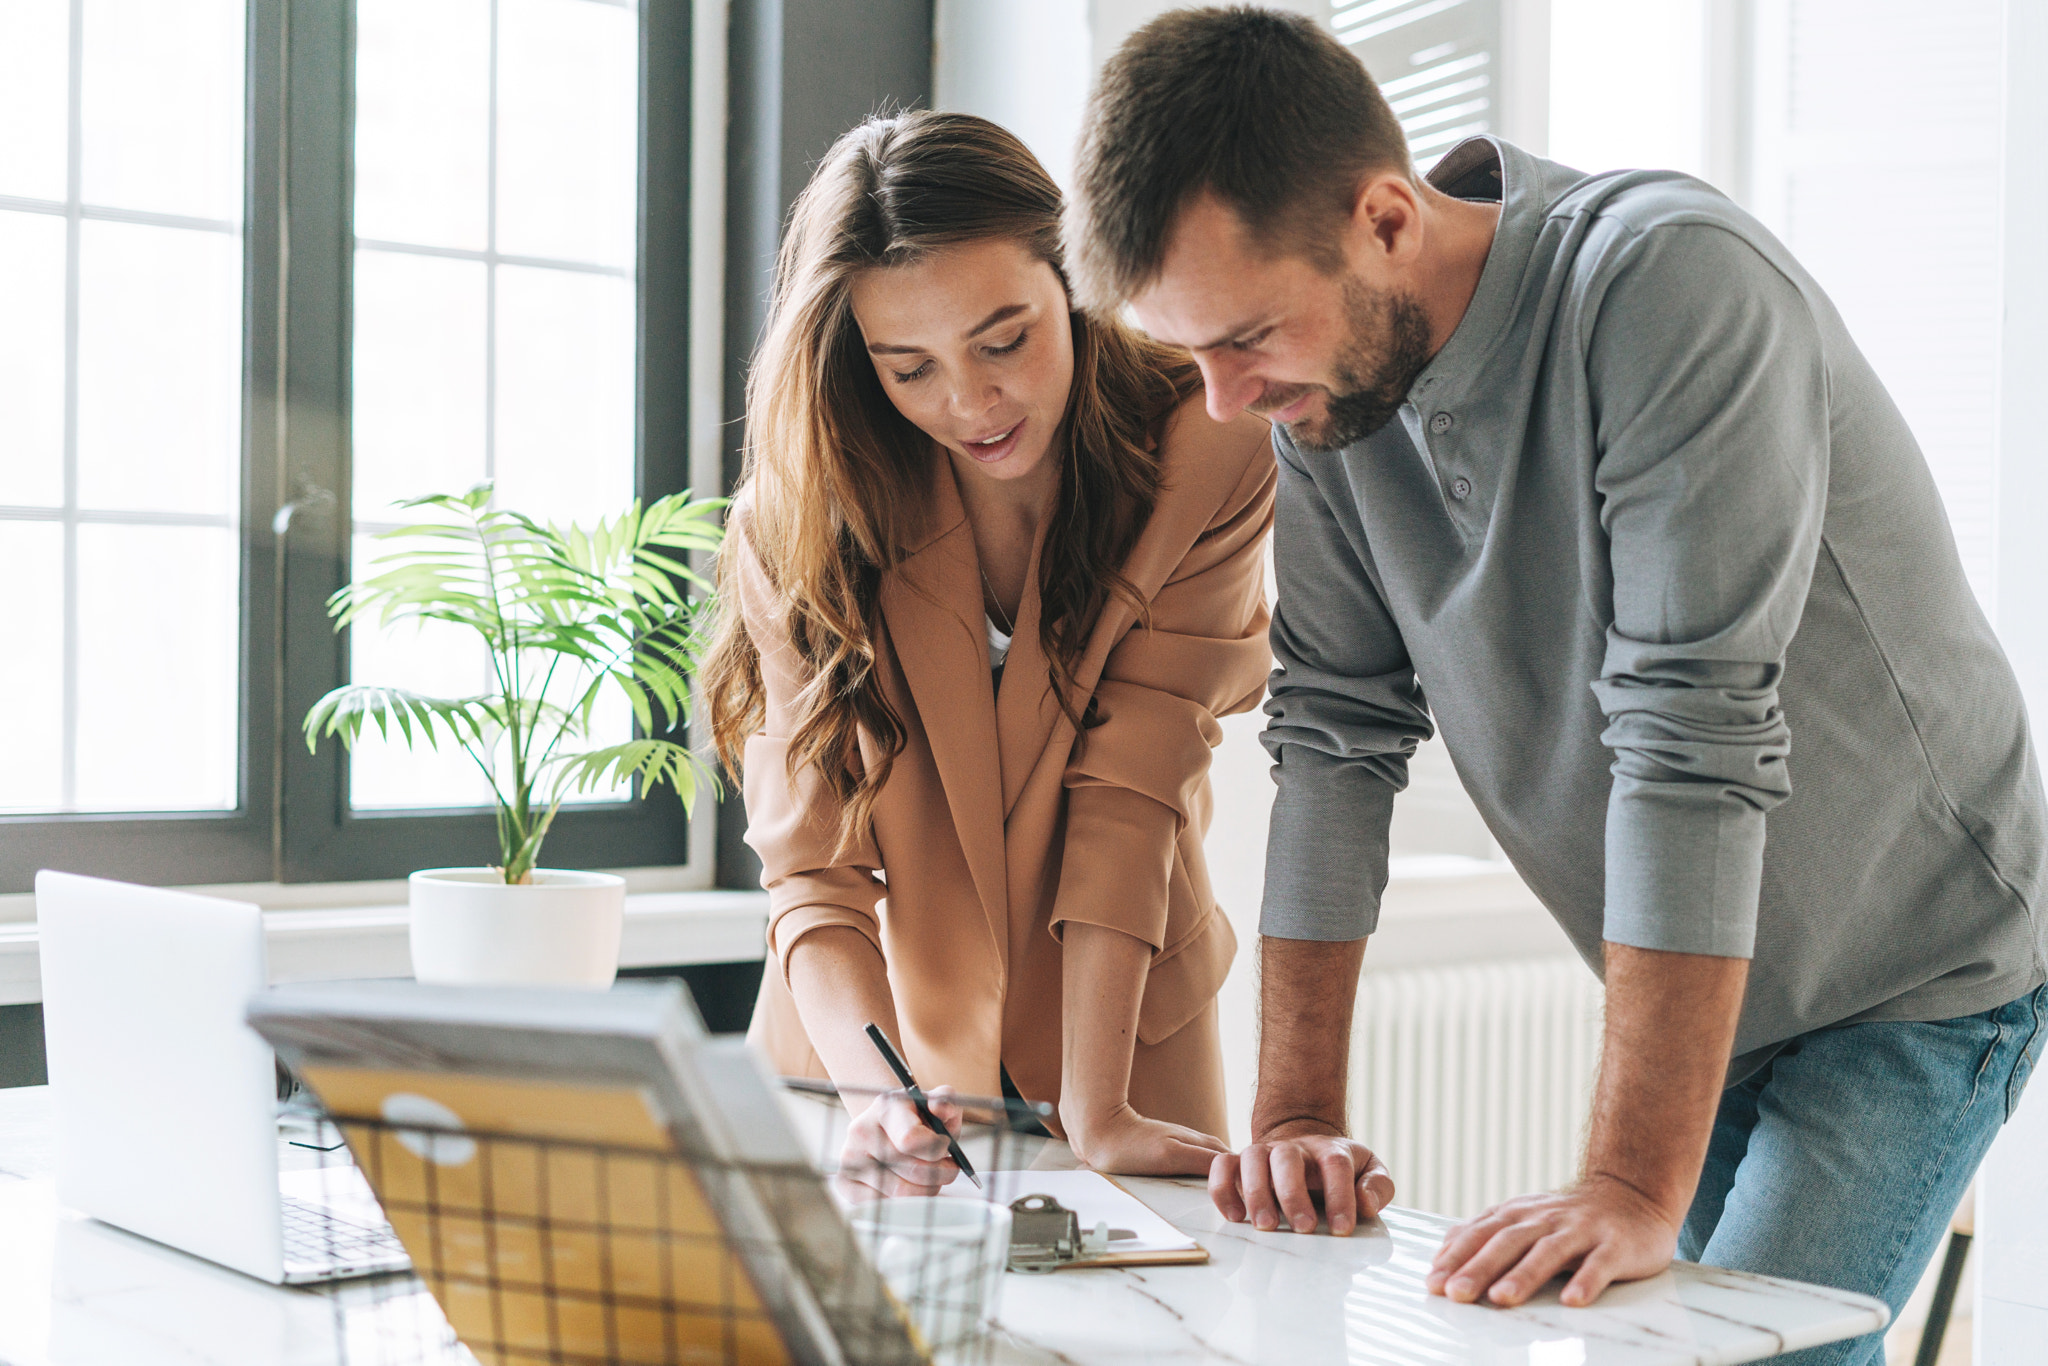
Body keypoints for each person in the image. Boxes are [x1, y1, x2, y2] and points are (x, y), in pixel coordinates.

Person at [1063, 8, 2048, 1360]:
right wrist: (1293, 1117)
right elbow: (1336, 735)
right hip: (1733, 975)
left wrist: (1633, 1183)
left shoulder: (1669, 286)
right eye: (1194, 355)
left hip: (1913, 959)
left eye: (1245, 336)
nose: (1224, 401)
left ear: (1388, 220)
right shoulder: (1328, 396)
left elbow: (1689, 735)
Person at [703, 110, 1275, 1197]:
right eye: (907, 368)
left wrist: (1098, 1107)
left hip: (1120, 1036)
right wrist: (879, 1097)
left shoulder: (1207, 441)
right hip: (862, 1052)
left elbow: (1135, 786)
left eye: (1003, 339)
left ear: (1072, 276)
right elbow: (812, 873)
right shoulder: (800, 518)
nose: (969, 404)